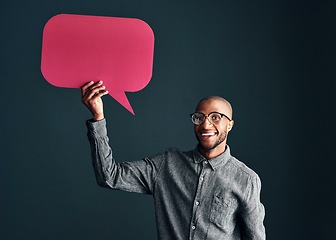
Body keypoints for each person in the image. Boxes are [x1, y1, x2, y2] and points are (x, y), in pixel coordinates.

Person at [81, 81, 266, 240]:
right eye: (199, 118)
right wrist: (98, 117)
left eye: (216, 117)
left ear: (230, 125)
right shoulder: (167, 165)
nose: (205, 124)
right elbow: (109, 176)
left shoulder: (246, 180)